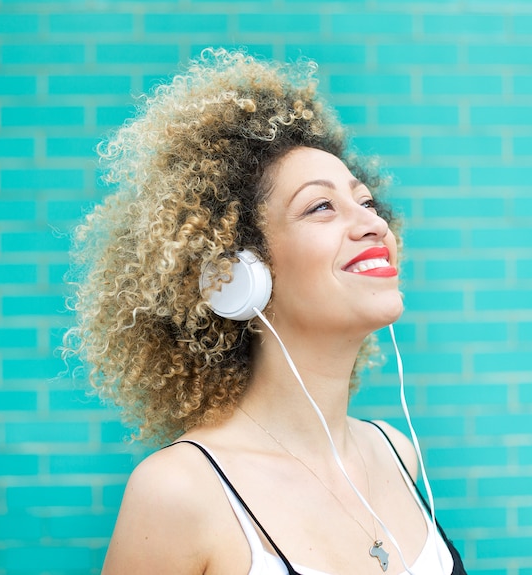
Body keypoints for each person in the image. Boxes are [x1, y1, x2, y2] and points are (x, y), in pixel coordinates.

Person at [64, 48, 466, 575]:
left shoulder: (395, 451)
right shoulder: (181, 492)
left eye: (366, 202)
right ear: (237, 276)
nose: (373, 225)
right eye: (321, 206)